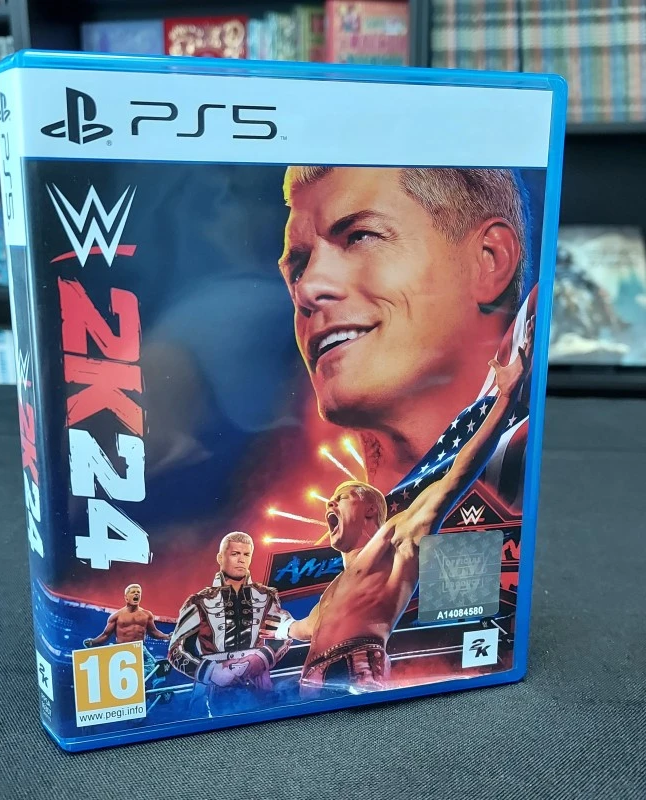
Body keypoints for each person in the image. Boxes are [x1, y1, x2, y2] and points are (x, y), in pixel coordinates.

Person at [272, 325, 532, 697]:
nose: (329, 502)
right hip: (310, 679)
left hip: (358, 664)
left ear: (370, 511)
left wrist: (505, 397)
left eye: (343, 497)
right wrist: (279, 627)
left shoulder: (396, 538)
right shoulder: (333, 591)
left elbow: (455, 477)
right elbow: (304, 628)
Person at [279, 166, 537, 510]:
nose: (306, 289)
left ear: (489, 259)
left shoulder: (535, 478)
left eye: (359, 237)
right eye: (298, 269)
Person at [168, 532, 291, 715]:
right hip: (211, 686)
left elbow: (284, 635)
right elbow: (175, 650)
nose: (241, 560)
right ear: (220, 558)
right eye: (235, 554)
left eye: (246, 554)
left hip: (258, 681)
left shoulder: (266, 596)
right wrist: (212, 672)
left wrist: (261, 659)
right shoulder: (199, 601)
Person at [83, 583, 170, 684]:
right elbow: (105, 635)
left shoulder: (147, 615)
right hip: (122, 650)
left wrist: (166, 636)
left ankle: (151, 688)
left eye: (138, 592)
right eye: (133, 592)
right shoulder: (116, 616)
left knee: (156, 670)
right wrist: (93, 642)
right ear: (126, 597)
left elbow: (153, 632)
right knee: (120, 678)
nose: (136, 594)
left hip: (139, 649)